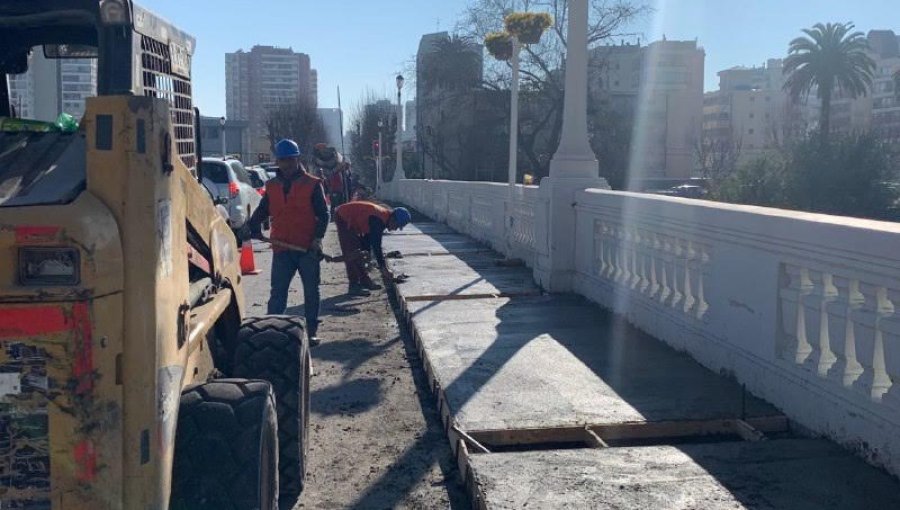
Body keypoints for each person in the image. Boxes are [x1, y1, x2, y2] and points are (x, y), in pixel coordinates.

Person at [247, 139, 329, 345]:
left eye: (290, 160)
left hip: (306, 248)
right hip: (282, 247)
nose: (287, 165)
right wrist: (253, 226)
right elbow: (263, 210)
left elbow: (323, 214)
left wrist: (317, 240)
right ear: (278, 161)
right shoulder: (272, 185)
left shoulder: (312, 184)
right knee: (278, 293)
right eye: (283, 161)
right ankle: (270, 332)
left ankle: (310, 332)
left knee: (311, 291)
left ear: (297, 159)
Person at [333, 201, 411, 296]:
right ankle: (353, 286)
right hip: (343, 217)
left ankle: (364, 281)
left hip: (352, 219)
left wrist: (367, 255)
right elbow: (376, 245)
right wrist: (383, 268)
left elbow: (367, 240)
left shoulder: (382, 218)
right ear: (393, 219)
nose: (395, 229)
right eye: (397, 226)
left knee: (359, 252)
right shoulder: (379, 219)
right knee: (351, 252)